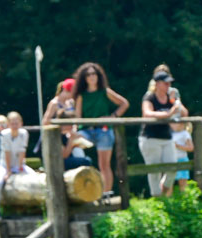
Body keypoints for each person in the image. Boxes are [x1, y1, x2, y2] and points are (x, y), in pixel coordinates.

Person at [73, 62, 129, 198]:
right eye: (88, 74)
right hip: (86, 131)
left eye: (94, 74)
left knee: (104, 164)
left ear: (98, 76)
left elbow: (124, 103)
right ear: (84, 78)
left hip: (103, 130)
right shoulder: (81, 95)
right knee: (72, 145)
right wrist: (73, 132)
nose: (92, 77)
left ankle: (106, 194)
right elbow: (77, 117)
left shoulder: (105, 91)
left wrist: (112, 116)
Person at [140, 68, 188, 197]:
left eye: (169, 83)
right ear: (157, 83)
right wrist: (168, 114)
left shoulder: (170, 97)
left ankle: (162, 195)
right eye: (166, 83)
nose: (168, 86)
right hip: (150, 138)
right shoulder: (149, 97)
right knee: (154, 171)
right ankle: (157, 199)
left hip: (166, 138)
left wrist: (176, 101)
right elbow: (147, 113)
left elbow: (184, 113)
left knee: (173, 167)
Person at [0, 112, 37, 222]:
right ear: (8, 123)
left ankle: (36, 207)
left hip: (19, 164)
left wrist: (20, 167)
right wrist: (8, 171)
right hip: (4, 165)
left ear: (21, 123)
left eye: (17, 122)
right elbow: (7, 153)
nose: (15, 124)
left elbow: (22, 151)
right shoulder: (4, 134)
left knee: (35, 178)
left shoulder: (24, 133)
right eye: (12, 122)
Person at [170, 120, 193, 191]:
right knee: (169, 182)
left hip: (182, 160)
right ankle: (167, 200)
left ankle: (185, 199)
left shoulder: (185, 134)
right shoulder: (170, 133)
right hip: (172, 161)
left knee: (183, 183)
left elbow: (190, 148)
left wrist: (178, 146)